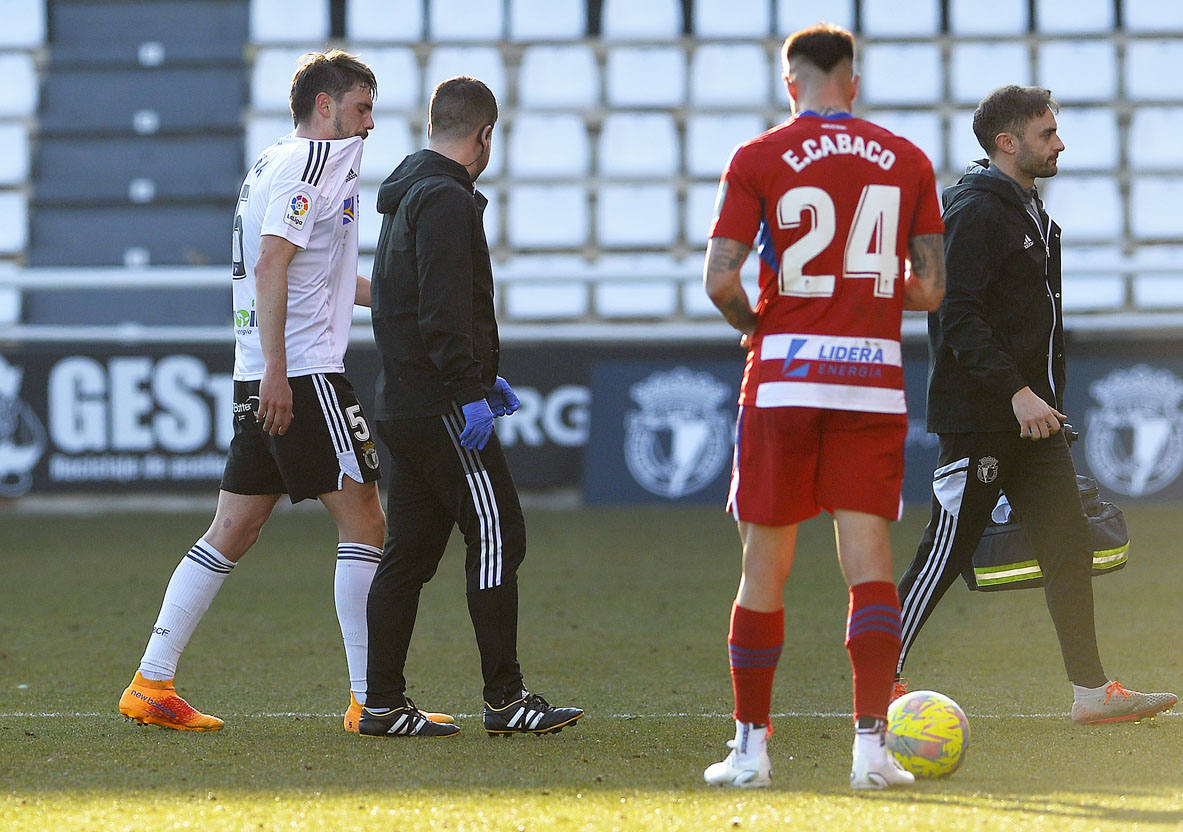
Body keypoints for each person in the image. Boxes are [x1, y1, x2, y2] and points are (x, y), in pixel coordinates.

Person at [117, 50, 453, 733]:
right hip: (299, 373)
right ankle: (373, 701)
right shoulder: (315, 162)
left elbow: (308, 273)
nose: (368, 124)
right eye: (361, 108)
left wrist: (398, 303)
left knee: (232, 528)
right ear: (325, 106)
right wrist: (279, 369)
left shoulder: (272, 160)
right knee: (366, 522)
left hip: (262, 368)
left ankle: (151, 682)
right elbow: (274, 261)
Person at [701, 24, 946, 790]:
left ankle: (750, 751)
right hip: (869, 381)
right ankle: (871, 751)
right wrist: (867, 296)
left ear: (789, 82)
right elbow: (930, 288)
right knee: (867, 562)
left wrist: (758, 327)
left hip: (782, 378)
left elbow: (720, 280)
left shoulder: (756, 158)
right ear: (853, 78)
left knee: (762, 565)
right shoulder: (907, 160)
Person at [894, 85, 1177, 725]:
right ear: (1007, 141)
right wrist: (1016, 393)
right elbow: (957, 319)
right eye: (1048, 133)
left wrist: (1040, 399)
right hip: (986, 417)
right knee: (948, 551)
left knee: (1068, 546)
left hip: (1035, 418)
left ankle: (1091, 693)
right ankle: (876, 675)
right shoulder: (973, 210)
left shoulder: (1025, 210)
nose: (1060, 143)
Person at [358, 76, 583, 738]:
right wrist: (469, 388)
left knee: (410, 552)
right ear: (485, 134)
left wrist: (483, 376)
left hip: (402, 401)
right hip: (439, 404)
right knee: (496, 532)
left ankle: (382, 704)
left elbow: (408, 302)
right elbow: (444, 310)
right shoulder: (446, 201)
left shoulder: (405, 197)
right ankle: (505, 698)